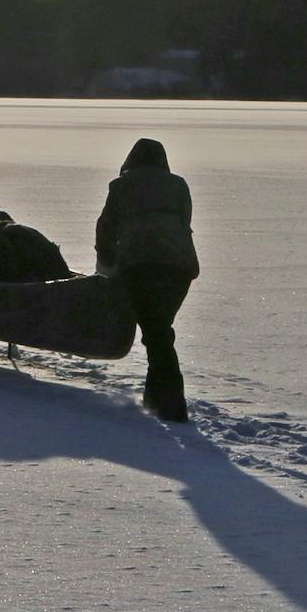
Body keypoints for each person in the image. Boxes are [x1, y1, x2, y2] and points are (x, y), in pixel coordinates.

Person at [95, 138, 200, 422]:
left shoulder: (121, 187)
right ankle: (155, 400)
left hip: (140, 265)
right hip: (181, 268)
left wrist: (105, 265)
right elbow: (184, 222)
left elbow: (106, 228)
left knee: (157, 334)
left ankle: (172, 409)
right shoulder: (179, 185)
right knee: (158, 330)